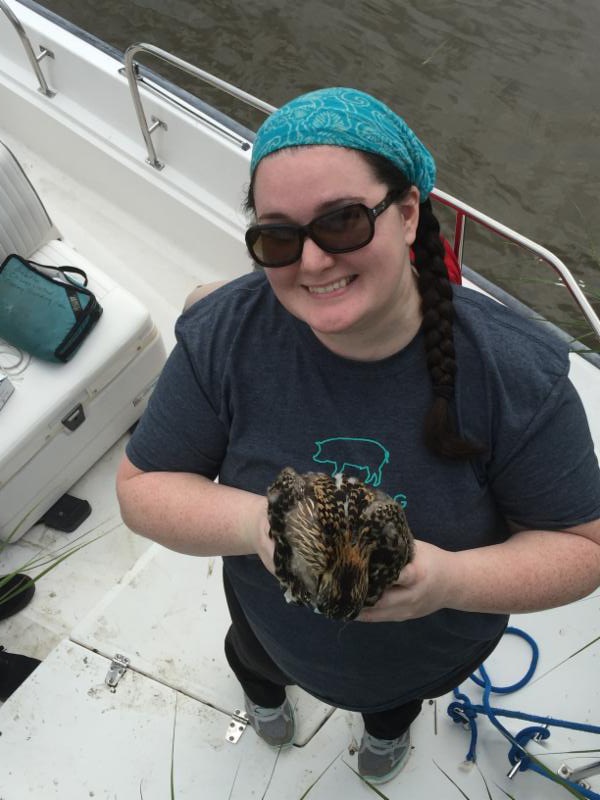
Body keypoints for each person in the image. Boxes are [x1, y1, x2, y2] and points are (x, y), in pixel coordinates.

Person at [116, 87, 600, 786]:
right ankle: (265, 700)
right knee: (252, 658)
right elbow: (141, 490)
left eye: (342, 222)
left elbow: (584, 548)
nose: (311, 262)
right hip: (268, 619)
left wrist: (446, 580)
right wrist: (260, 524)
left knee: (394, 703)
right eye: (278, 237)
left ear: (407, 214)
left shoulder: (517, 376)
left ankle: (384, 733)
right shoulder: (225, 336)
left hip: (426, 643)